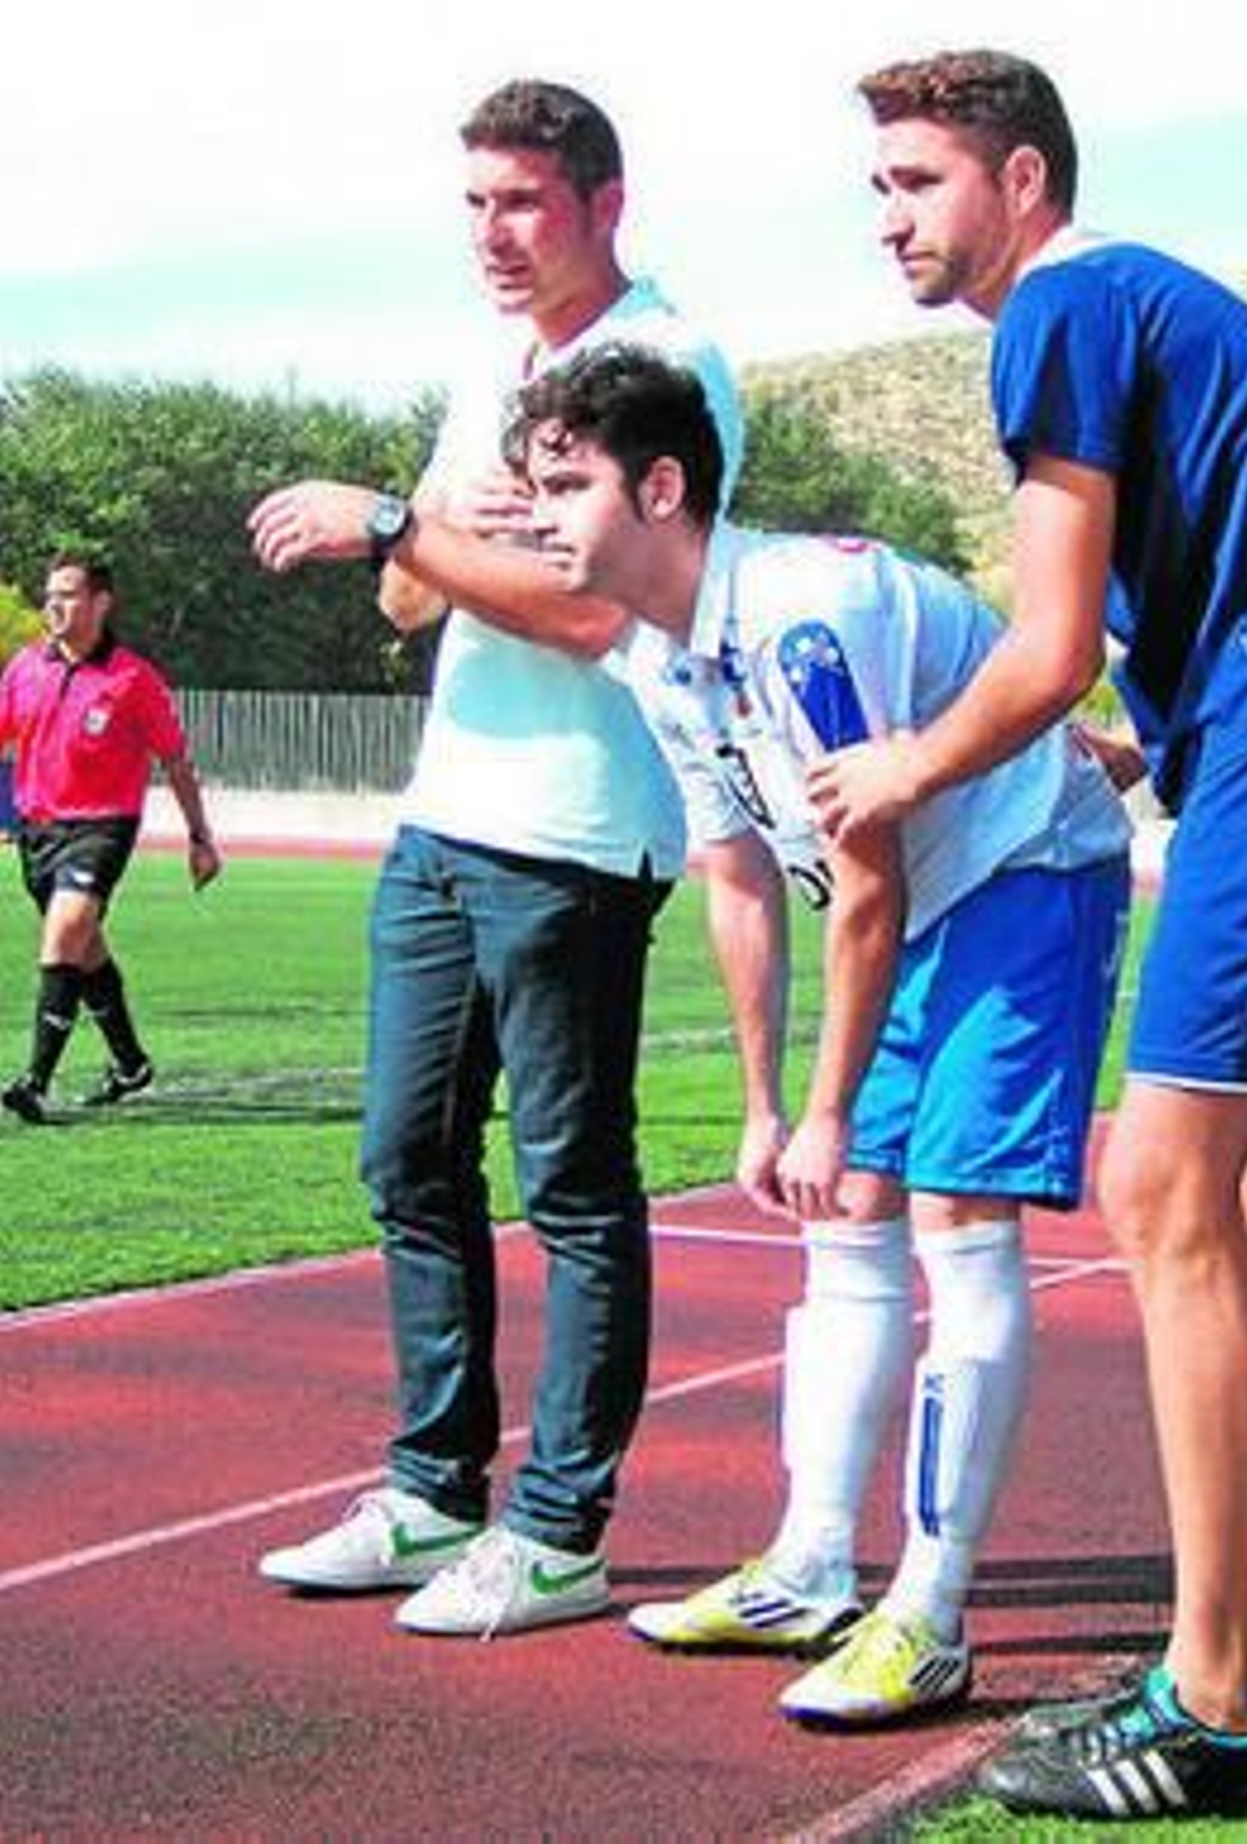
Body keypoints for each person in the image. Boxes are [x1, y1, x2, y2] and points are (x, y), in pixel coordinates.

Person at [803, 48, 1247, 1818]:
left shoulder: (1061, 309)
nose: (891, 218)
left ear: (1020, 182)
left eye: (919, 181)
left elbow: (1046, 637)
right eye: (877, 189)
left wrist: (901, 770)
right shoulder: (1135, 305)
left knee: (1165, 1189)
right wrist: (1146, 745)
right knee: (1239, 1200)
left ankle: (1214, 1692)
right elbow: (1193, 599)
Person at [505, 343, 1134, 1724]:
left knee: (956, 1216)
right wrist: (763, 1105)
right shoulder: (660, 667)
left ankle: (932, 1605)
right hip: (916, 903)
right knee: (840, 1203)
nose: (540, 516)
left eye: (565, 484)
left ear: (662, 487)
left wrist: (831, 1098)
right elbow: (736, 879)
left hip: (1027, 872)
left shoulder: (804, 614)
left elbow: (868, 878)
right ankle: (808, 1564)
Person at [247, 80, 744, 1640]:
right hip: (445, 811)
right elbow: (411, 601)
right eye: (473, 206)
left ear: (604, 200)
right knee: (405, 1155)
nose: (492, 236)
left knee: (577, 1184)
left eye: (520, 201)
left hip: (582, 830)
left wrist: (399, 521)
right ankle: (431, 1488)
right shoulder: (494, 371)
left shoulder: (666, 363)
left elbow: (602, 614)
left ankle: (559, 1525)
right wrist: (426, 541)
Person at [0, 552, 221, 1124]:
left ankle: (34, 1080)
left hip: (102, 826)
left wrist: (200, 836)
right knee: (84, 949)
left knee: (66, 931)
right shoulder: (25, 669)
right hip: (37, 831)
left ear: (101, 603)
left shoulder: (133, 679)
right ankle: (130, 1064)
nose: (55, 604)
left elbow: (175, 761)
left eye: (68, 594)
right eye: (50, 593)